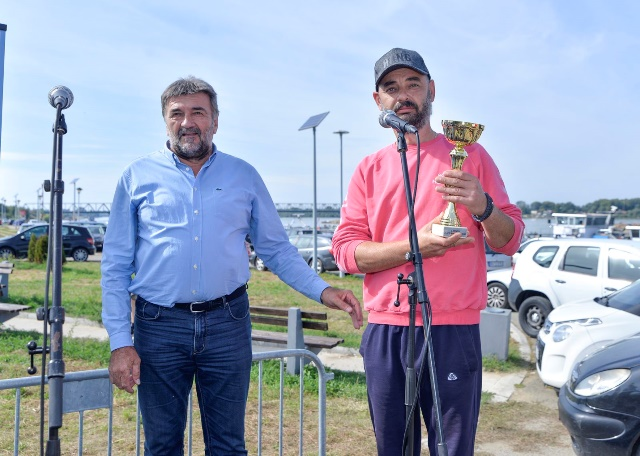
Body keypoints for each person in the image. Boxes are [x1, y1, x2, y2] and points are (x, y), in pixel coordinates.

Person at [101, 76, 363, 455]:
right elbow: (114, 266)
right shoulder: (136, 177)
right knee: (161, 445)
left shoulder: (244, 176)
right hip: (159, 328)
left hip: (227, 324)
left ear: (215, 121)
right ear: (165, 121)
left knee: (228, 445)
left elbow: (276, 249)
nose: (187, 122)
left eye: (198, 112)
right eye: (176, 114)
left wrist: (323, 290)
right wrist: (120, 342)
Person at [331, 48, 524, 455]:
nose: (403, 95)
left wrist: (483, 206)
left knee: (452, 449)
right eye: (391, 88)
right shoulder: (369, 168)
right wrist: (415, 247)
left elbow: (509, 240)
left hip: (452, 329)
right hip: (387, 329)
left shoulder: (472, 155)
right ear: (378, 100)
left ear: (431, 90)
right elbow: (346, 252)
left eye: (413, 84)